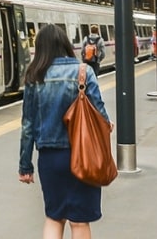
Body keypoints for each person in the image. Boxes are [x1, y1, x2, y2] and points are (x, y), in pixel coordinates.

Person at [18, 24, 112, 239]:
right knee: (79, 222)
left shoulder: (35, 75)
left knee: (54, 217)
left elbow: (27, 125)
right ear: (66, 45)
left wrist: (25, 165)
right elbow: (100, 114)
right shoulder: (84, 71)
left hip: (50, 158)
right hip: (84, 155)